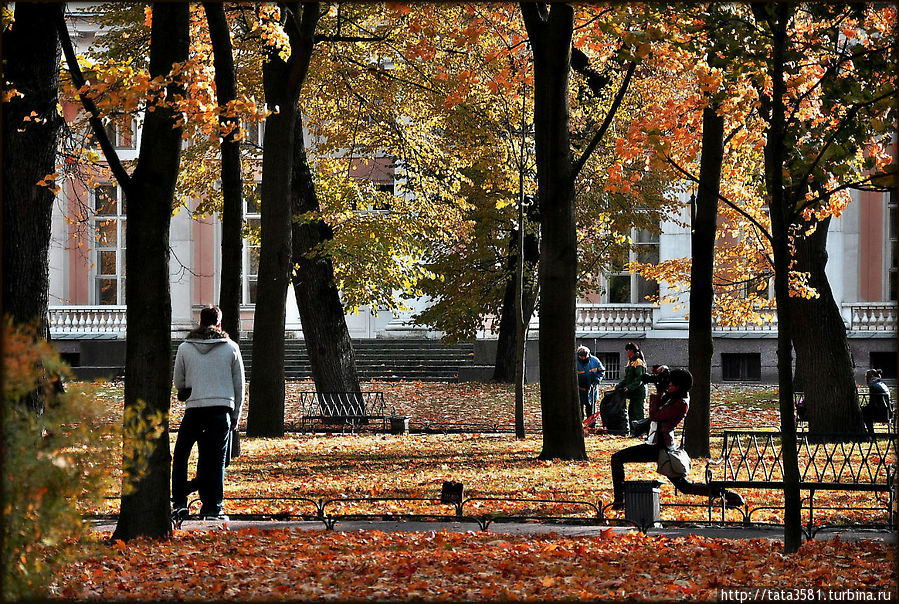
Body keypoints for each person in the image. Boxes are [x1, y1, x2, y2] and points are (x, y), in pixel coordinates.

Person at [609, 368, 743, 510]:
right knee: (684, 486)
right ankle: (729, 495)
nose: (668, 385)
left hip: (660, 447)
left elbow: (655, 415)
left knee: (617, 458)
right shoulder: (676, 396)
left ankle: (619, 501)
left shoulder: (681, 403)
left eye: (671, 384)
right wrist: (663, 374)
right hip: (658, 444)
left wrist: (658, 393)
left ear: (678, 386)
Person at [172, 306, 245, 520]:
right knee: (216, 459)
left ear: (200, 322)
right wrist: (236, 417)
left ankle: (179, 502)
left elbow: (179, 381)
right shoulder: (231, 348)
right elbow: (239, 386)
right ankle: (213, 507)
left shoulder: (185, 347)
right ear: (219, 323)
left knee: (181, 456)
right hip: (221, 410)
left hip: (194, 409)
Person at [615, 342, 647, 424]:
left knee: (638, 412)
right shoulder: (630, 362)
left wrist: (629, 387)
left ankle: (640, 430)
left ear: (631, 351)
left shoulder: (638, 362)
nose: (626, 353)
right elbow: (627, 378)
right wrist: (619, 386)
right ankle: (633, 430)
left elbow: (639, 379)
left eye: (627, 351)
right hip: (633, 392)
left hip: (638, 392)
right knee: (631, 412)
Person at [576, 345, 605, 421]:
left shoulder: (595, 361)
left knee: (591, 410)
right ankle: (580, 425)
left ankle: (592, 426)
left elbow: (601, 371)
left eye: (585, 356)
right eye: (581, 356)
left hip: (592, 390)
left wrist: (597, 379)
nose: (583, 358)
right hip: (579, 390)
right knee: (579, 411)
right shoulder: (575, 362)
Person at [862, 369, 892, 436]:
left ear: (871, 376)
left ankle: (870, 433)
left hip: (880, 414)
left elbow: (872, 404)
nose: (865, 379)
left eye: (866, 377)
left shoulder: (873, 386)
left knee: (863, 412)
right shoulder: (881, 383)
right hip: (888, 412)